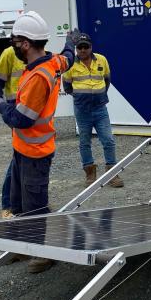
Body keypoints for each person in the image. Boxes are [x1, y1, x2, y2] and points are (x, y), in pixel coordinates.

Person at [0, 11, 77, 273]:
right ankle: (21, 246)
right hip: (24, 149)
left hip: (35, 152)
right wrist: (71, 42)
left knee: (35, 206)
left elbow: (22, 119)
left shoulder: (39, 77)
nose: (14, 47)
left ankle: (45, 252)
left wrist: (1, 106)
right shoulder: (53, 63)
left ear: (26, 44)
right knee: (18, 203)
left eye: (16, 42)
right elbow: (69, 57)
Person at [62, 34, 123, 188]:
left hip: (100, 109)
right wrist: (81, 96)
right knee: (84, 142)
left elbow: (107, 80)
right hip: (82, 110)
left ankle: (112, 173)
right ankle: (90, 174)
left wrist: (99, 95)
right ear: (76, 49)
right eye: (79, 47)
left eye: (85, 47)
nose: (82, 50)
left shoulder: (102, 60)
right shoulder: (70, 64)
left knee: (108, 140)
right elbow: (67, 86)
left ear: (91, 47)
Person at [0, 44, 26, 219]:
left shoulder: (39, 51)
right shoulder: (10, 53)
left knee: (29, 157)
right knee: (19, 157)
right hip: (16, 111)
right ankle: (8, 204)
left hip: (35, 112)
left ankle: (24, 202)